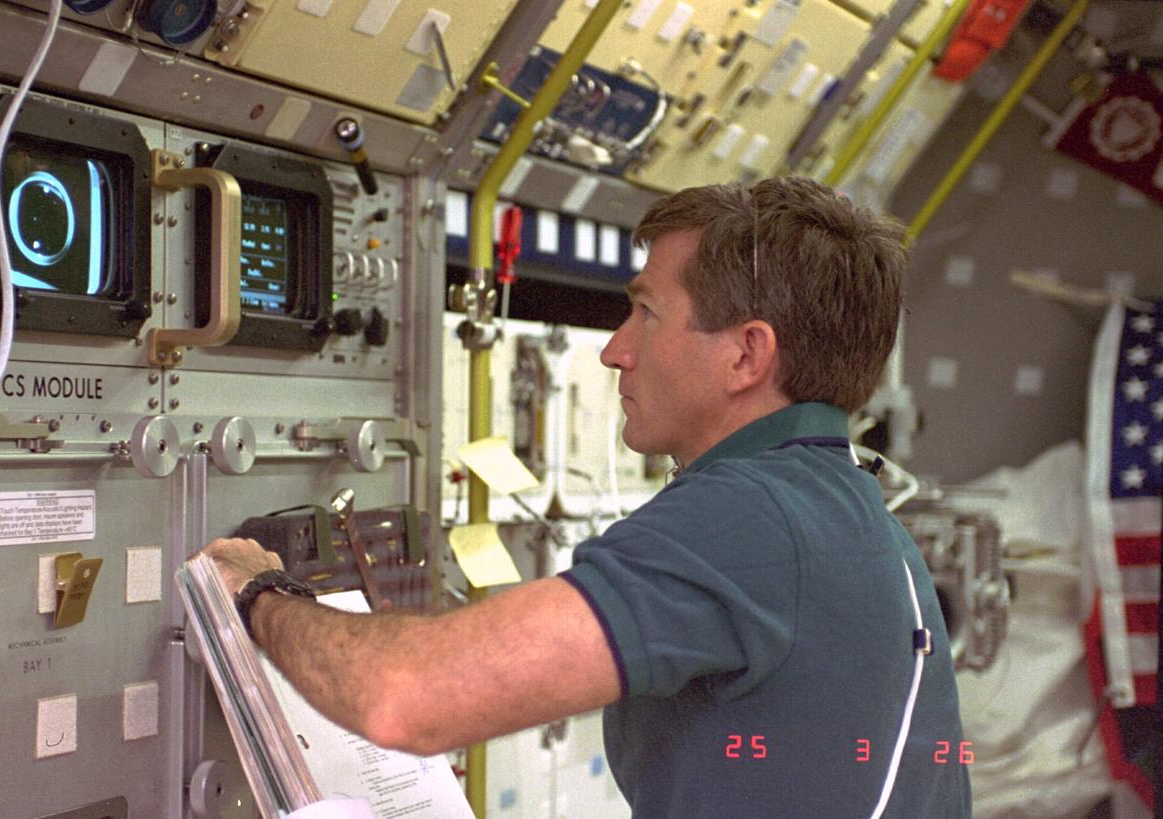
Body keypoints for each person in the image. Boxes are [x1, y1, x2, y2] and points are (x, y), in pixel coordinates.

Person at [200, 176, 971, 817]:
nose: (614, 349)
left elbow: (405, 697)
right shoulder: (861, 519)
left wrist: (256, 593)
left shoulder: (746, 519)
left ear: (747, 353)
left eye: (646, 312)